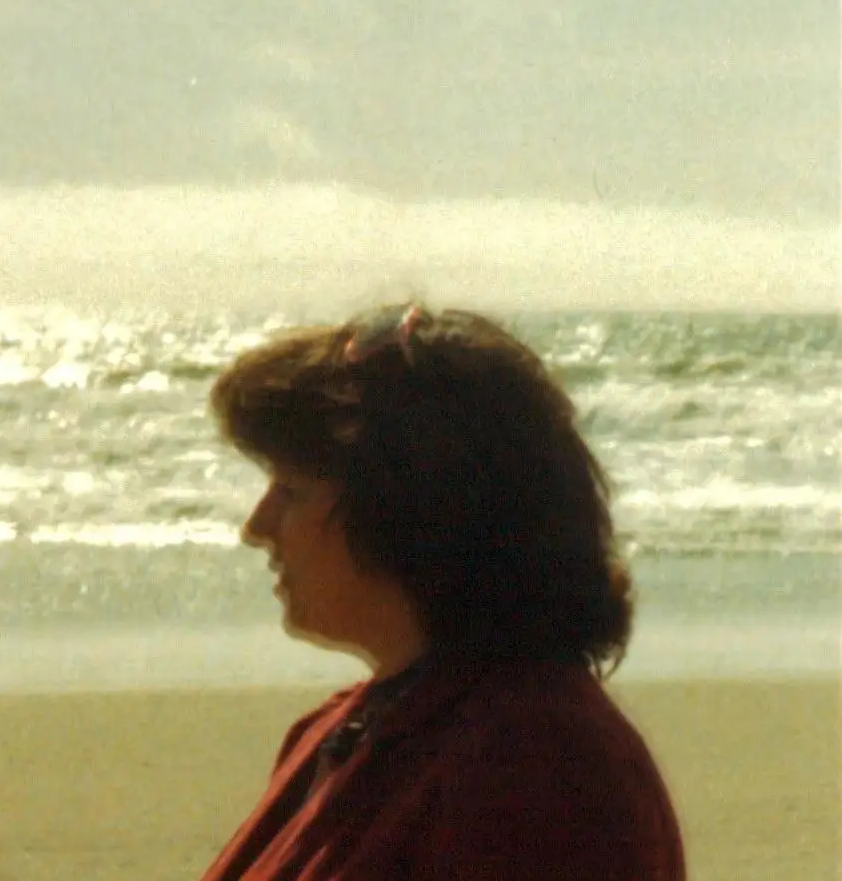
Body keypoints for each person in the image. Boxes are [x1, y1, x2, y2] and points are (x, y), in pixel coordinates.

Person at [198, 303, 685, 881]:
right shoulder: (358, 728)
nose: (257, 526)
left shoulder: (537, 767)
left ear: (407, 511)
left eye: (293, 490)